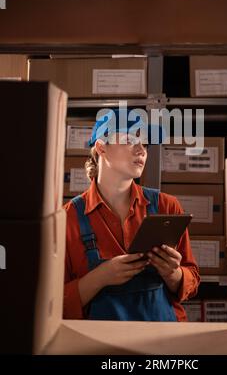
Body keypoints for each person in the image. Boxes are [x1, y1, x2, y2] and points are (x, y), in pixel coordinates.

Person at [64, 108, 200, 321]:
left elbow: (191, 281)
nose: (142, 150)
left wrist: (173, 273)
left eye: (144, 143)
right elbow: (54, 303)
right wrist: (100, 278)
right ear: (101, 148)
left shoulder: (167, 206)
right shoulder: (68, 218)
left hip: (162, 343)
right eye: (130, 139)